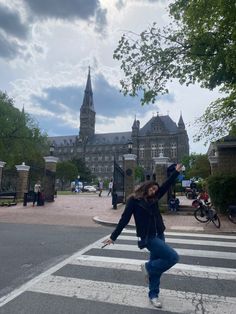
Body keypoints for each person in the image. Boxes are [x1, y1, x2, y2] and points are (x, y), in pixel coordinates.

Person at [103, 164, 183, 309]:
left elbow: (166, 185)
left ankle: (153, 295)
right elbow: (124, 219)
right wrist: (113, 237)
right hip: (149, 237)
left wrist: (176, 173)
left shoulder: (155, 197)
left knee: (157, 269)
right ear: (146, 186)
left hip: (160, 233)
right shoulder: (134, 200)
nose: (153, 191)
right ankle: (147, 267)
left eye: (155, 190)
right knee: (173, 257)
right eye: (152, 188)